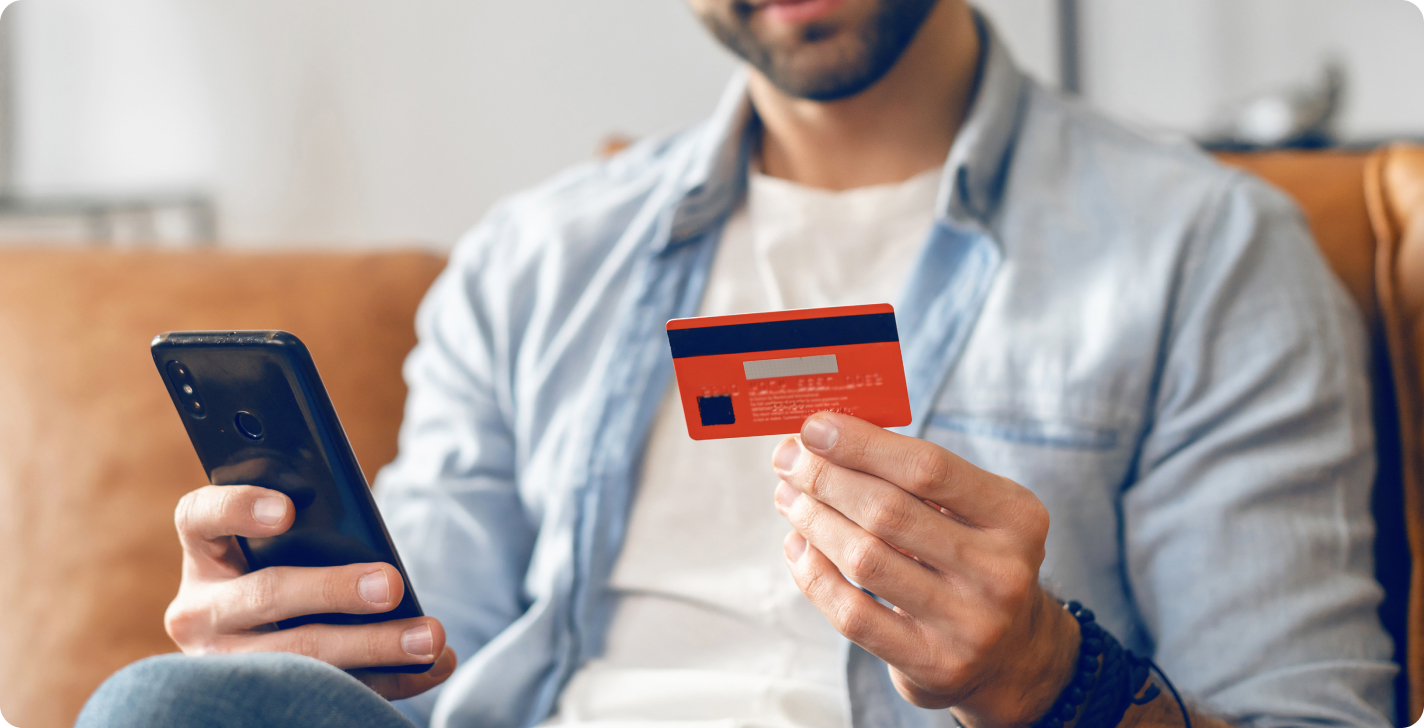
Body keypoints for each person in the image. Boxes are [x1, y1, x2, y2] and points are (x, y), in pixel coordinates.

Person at [78, 0, 1397, 726]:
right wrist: (285, 647)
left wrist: (1056, 684)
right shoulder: (534, 256)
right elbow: (422, 652)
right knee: (173, 710)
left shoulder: (1205, 248)